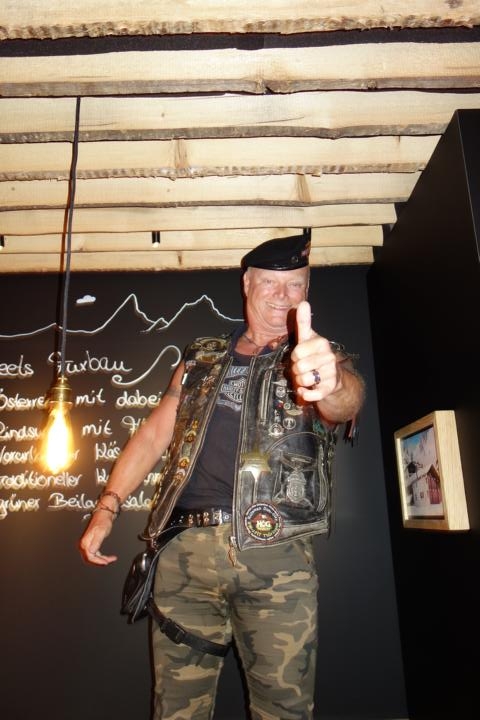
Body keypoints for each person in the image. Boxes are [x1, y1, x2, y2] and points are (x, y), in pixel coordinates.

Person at [79, 231, 365, 720]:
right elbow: (154, 435)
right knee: (175, 709)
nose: (283, 295)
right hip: (183, 554)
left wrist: (330, 380)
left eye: (296, 285)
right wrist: (106, 509)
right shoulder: (201, 357)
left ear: (307, 292)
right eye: (271, 283)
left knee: (285, 709)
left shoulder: (317, 356)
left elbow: (346, 402)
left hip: (275, 555)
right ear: (247, 284)